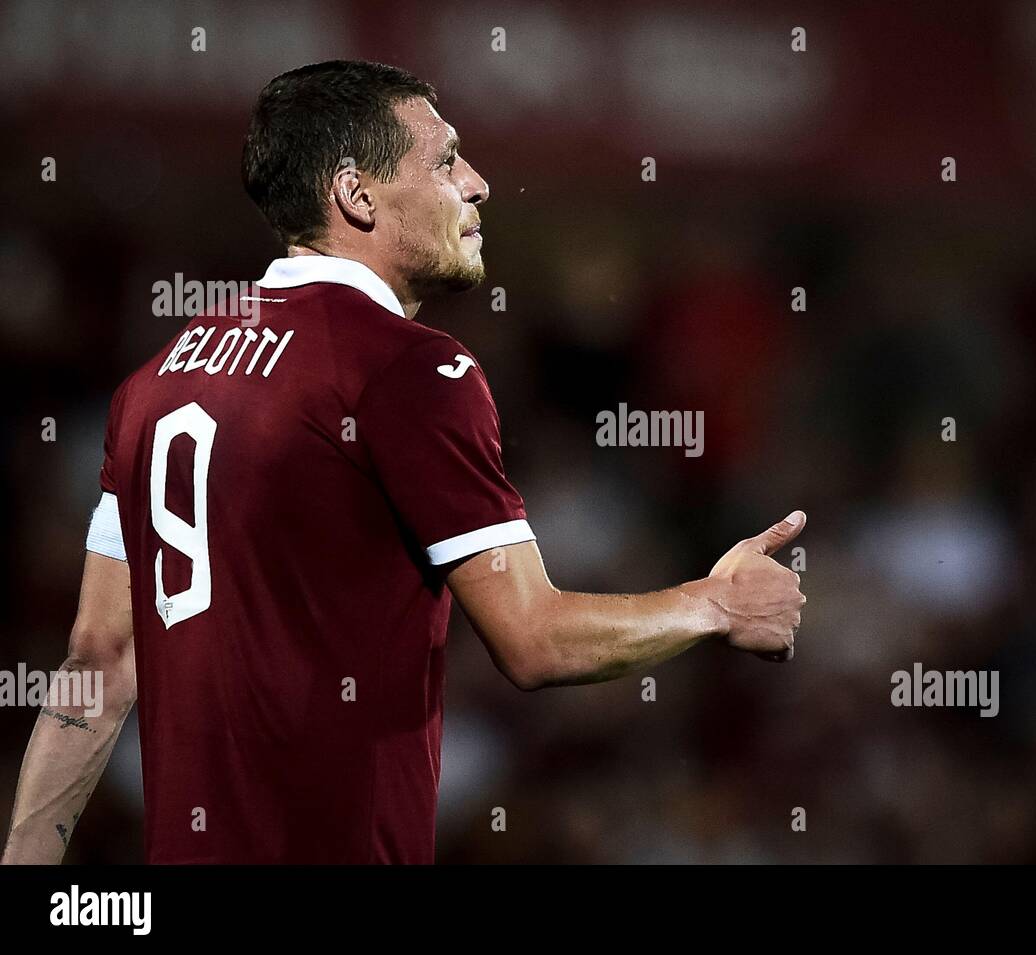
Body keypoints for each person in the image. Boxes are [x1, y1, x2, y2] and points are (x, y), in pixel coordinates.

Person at [2, 60, 805, 864]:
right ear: (357, 196)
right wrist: (716, 603)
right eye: (447, 160)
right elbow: (534, 639)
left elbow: (96, 668)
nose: (480, 183)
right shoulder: (409, 370)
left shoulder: (155, 381)